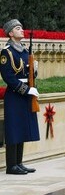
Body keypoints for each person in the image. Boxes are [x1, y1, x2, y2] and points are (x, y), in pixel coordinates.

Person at [0, 19, 40, 175]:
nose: (22, 31)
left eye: (22, 28)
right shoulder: (7, 52)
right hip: (15, 95)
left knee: (22, 127)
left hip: (25, 94)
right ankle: (11, 166)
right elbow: (8, 77)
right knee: (14, 129)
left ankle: (19, 163)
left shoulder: (24, 51)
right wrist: (26, 90)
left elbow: (28, 74)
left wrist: (34, 71)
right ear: (11, 33)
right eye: (18, 28)